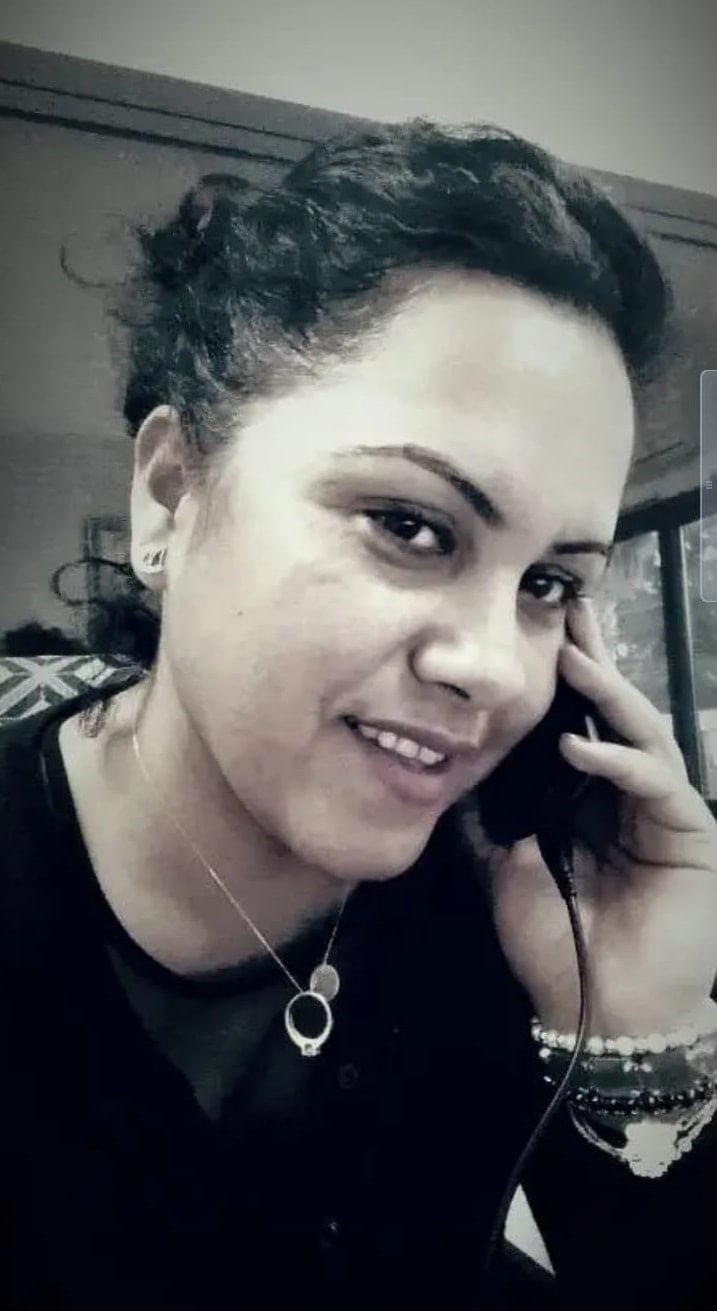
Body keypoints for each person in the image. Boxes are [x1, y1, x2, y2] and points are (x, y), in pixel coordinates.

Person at [1, 120, 716, 1311]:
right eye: (411, 526)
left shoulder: (519, 901)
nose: (496, 670)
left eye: (549, 584)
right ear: (172, 494)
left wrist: (635, 1025)